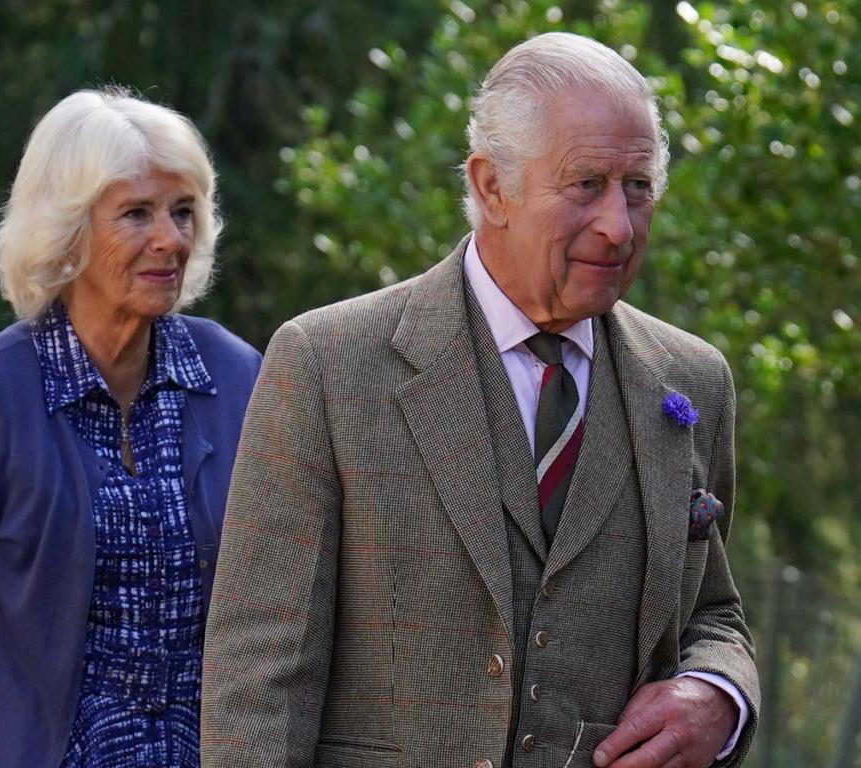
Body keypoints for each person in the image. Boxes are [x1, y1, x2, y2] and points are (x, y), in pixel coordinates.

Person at [201, 32, 759, 768]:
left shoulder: (692, 382)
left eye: (639, 187)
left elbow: (713, 611)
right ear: (492, 186)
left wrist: (720, 691)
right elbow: (259, 678)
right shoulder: (328, 364)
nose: (619, 226)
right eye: (586, 185)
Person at [0, 88, 261, 767]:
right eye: (136, 213)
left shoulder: (233, 375)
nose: (170, 237)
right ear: (68, 231)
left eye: (182, 211)